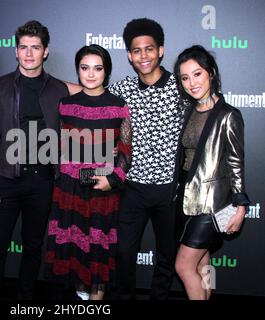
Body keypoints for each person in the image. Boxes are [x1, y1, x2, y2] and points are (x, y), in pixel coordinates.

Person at [0, 20, 69, 300]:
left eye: (35, 48)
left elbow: (68, 137)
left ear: (46, 52)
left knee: (32, 247)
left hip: (42, 181)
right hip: (5, 180)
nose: (29, 54)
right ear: (15, 52)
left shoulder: (58, 90)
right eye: (24, 48)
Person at [44, 44, 132, 300]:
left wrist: (113, 179)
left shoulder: (119, 105)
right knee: (74, 253)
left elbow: (126, 150)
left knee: (98, 253)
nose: (91, 74)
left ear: (107, 71)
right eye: (85, 68)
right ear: (78, 70)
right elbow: (60, 145)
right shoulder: (66, 104)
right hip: (70, 190)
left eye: (97, 68)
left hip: (103, 188)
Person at [107, 18, 184, 300]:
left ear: (160, 50)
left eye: (149, 49)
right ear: (129, 54)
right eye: (136, 50)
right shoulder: (122, 90)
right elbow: (92, 94)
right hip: (132, 189)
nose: (143, 56)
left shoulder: (181, 87)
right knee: (124, 253)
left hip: (169, 191)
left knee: (166, 256)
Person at [173, 45, 249, 300]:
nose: (192, 83)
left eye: (197, 74)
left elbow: (236, 162)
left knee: (183, 266)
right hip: (187, 197)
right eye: (185, 77)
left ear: (211, 73)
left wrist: (240, 205)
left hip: (213, 203)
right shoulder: (190, 110)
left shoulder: (228, 115)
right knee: (203, 259)